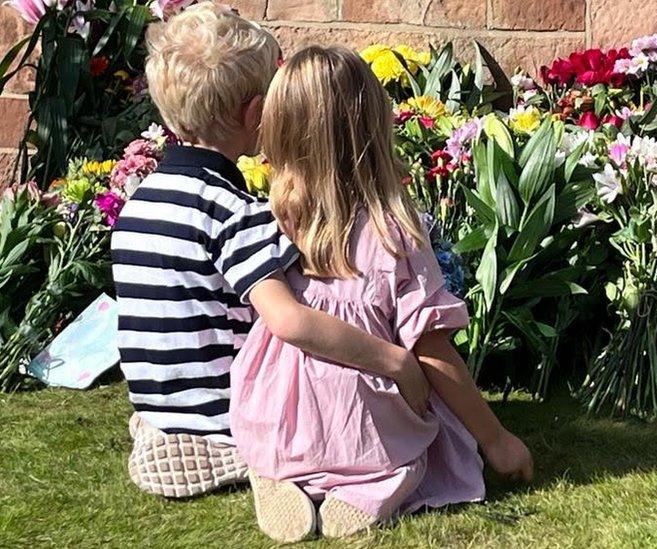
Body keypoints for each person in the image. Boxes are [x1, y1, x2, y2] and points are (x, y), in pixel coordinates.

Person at [112, 3, 430, 499]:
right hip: (225, 413)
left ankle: (170, 442)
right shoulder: (232, 211)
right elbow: (290, 322)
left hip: (157, 407)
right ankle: (269, 466)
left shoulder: (139, 203)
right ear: (257, 114)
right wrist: (394, 362)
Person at [230, 45, 534, 543]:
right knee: (412, 455)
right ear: (371, 127)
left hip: (278, 410)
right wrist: (497, 440)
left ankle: (277, 473)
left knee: (284, 440)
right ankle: (370, 490)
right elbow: (430, 349)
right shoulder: (392, 232)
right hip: (359, 415)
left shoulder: (273, 218)